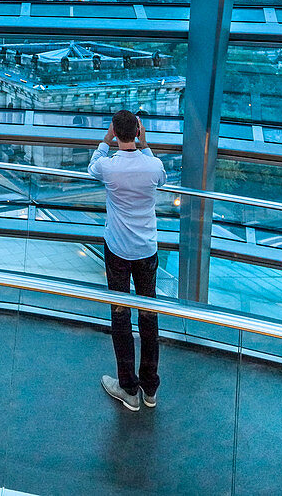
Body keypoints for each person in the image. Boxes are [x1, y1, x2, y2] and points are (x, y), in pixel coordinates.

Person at [88, 109, 166, 411]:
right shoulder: (153, 165)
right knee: (149, 315)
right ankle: (150, 389)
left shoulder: (108, 168)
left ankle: (128, 387)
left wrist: (104, 141)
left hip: (118, 249)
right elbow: (161, 176)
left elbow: (92, 166)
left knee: (121, 316)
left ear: (114, 132)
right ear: (138, 130)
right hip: (147, 250)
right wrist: (144, 145)